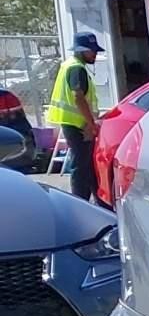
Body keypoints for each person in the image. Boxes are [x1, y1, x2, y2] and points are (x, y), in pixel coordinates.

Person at [48, 31, 105, 204]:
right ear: (81, 51)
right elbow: (78, 97)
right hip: (78, 126)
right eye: (91, 50)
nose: (95, 54)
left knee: (86, 166)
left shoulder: (70, 65)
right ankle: (80, 204)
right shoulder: (76, 68)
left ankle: (96, 203)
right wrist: (91, 124)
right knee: (81, 167)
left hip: (76, 123)